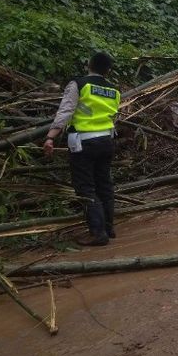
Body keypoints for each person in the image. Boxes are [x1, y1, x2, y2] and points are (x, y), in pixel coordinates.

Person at [43, 52, 120, 246]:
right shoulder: (114, 91)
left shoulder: (79, 84)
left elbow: (66, 111)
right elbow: (111, 116)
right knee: (104, 185)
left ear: (89, 65)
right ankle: (108, 228)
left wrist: (50, 137)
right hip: (106, 141)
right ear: (108, 70)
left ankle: (97, 233)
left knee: (85, 187)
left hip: (83, 143)